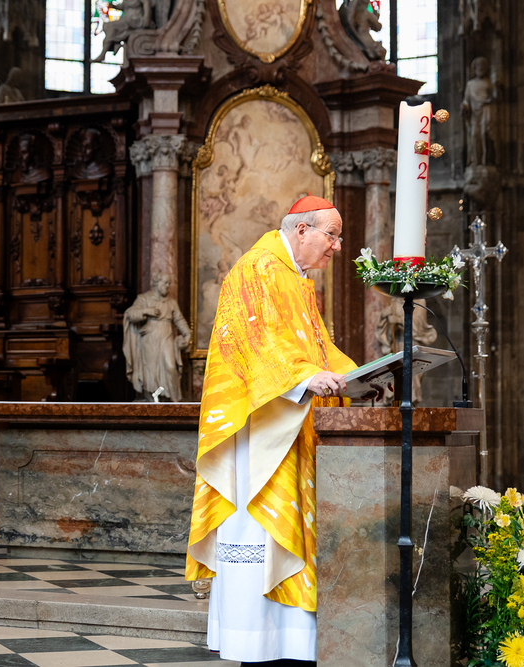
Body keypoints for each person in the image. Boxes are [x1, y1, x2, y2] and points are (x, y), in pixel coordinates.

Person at [187, 196, 358, 666]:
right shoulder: (257, 268)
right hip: (260, 433)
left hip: (293, 426)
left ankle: (292, 646)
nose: (337, 246)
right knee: (260, 534)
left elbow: (319, 350)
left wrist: (364, 376)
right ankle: (257, 644)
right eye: (332, 235)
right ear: (302, 230)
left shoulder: (297, 280)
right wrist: (304, 379)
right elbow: (255, 342)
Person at [123, 274, 192, 402]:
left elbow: (179, 319)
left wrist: (187, 334)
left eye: (169, 283)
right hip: (150, 338)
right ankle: (152, 400)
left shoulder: (171, 302)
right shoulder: (144, 298)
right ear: (156, 283)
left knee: (171, 367)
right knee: (150, 370)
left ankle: (174, 400)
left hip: (166, 337)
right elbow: (130, 314)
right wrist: (146, 311)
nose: (167, 286)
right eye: (165, 283)